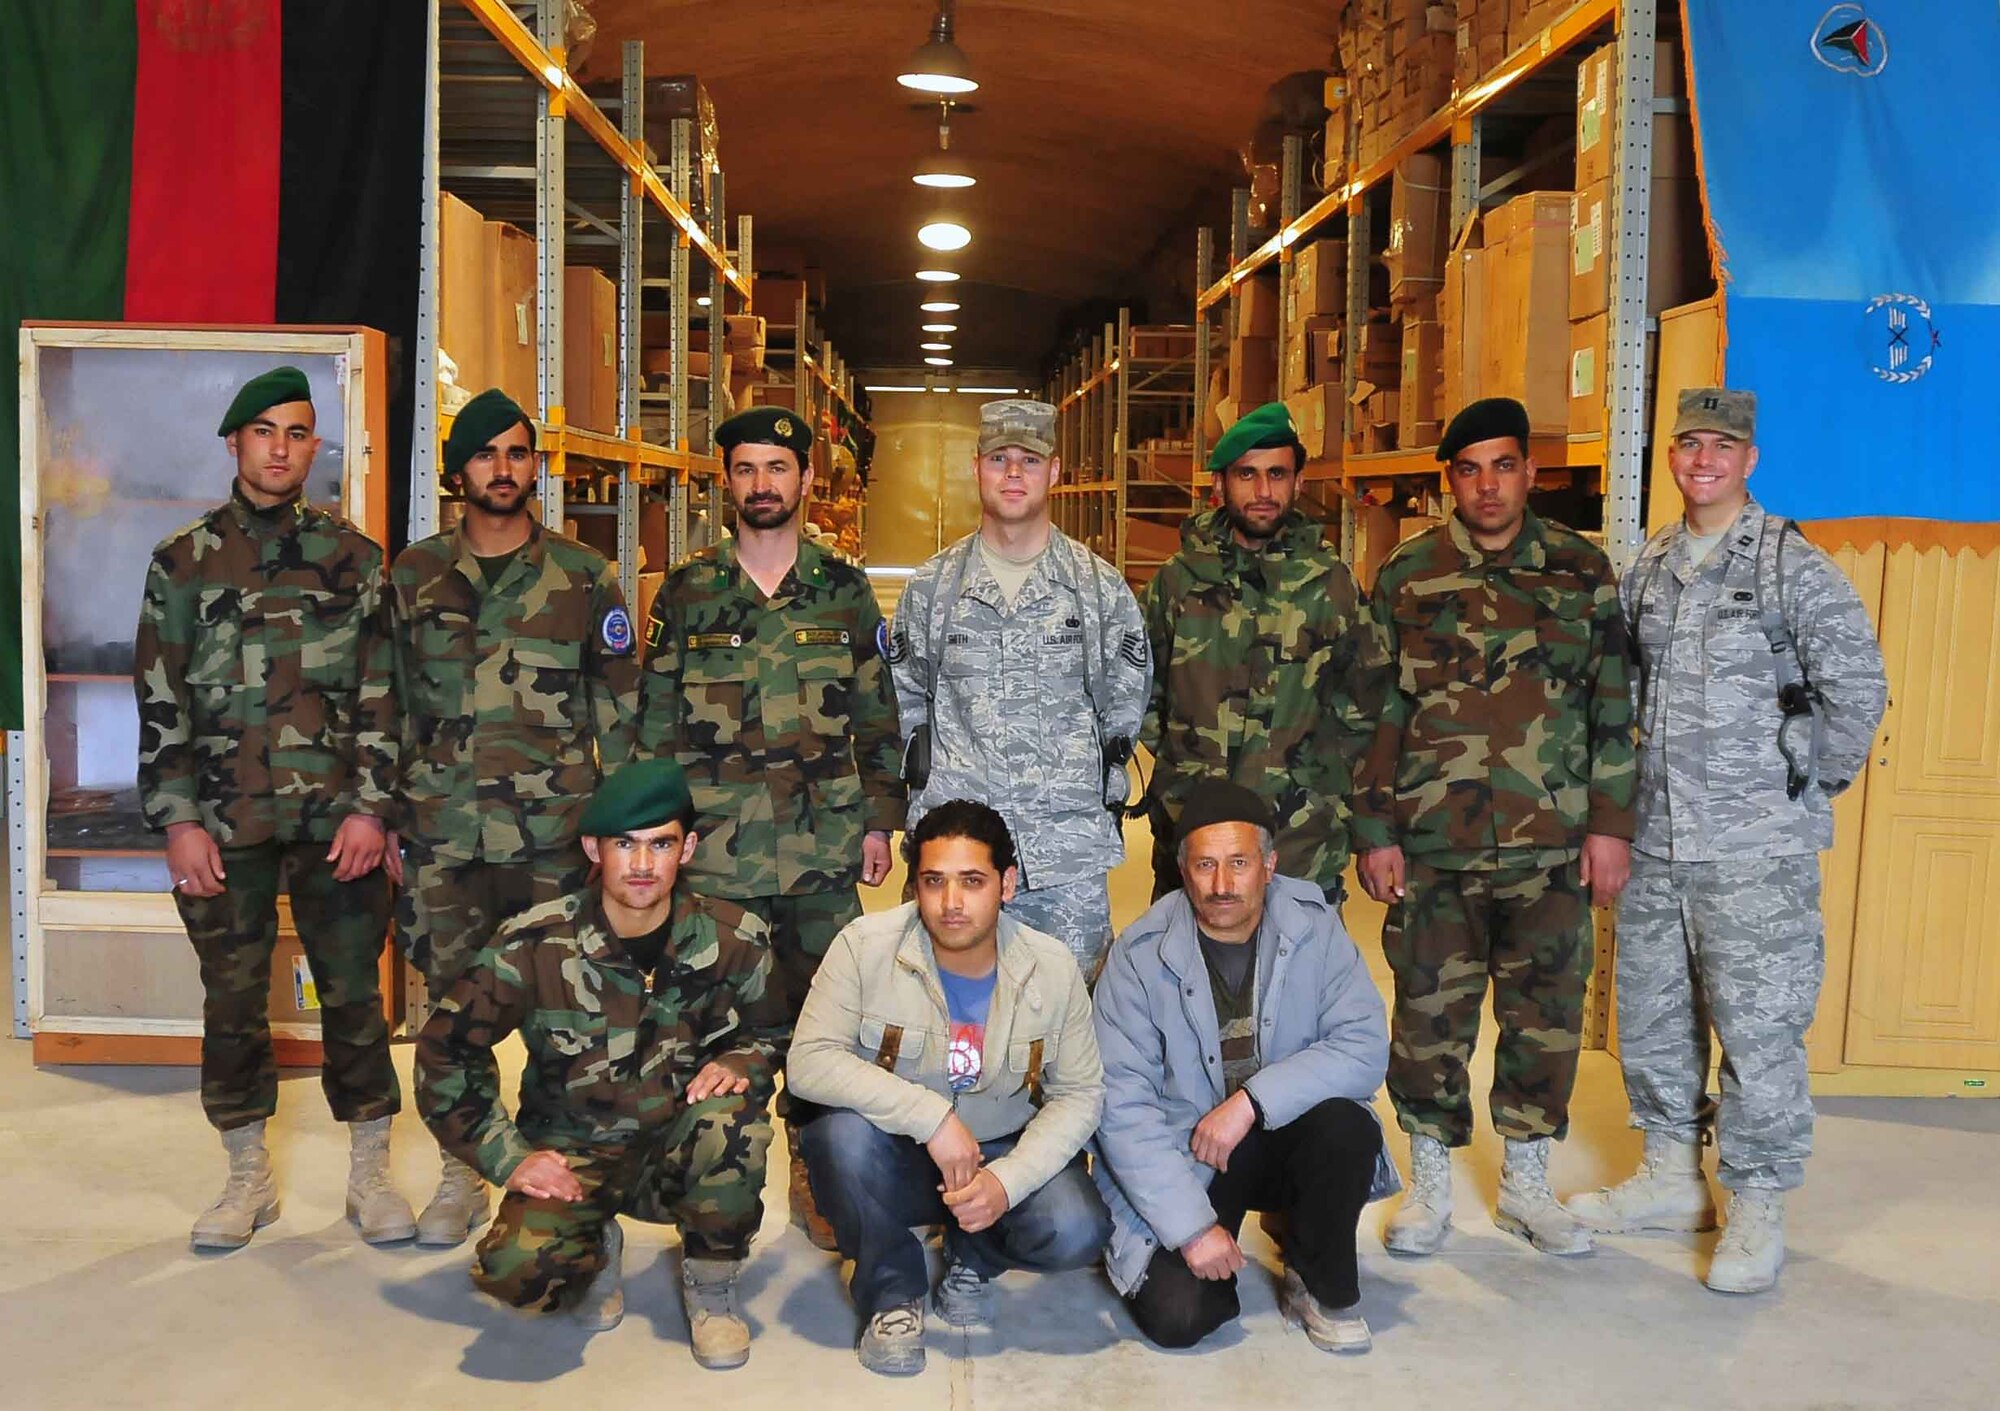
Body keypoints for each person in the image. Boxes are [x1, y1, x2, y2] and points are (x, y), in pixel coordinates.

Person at [1566, 389, 1888, 1294]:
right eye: (1689, 443)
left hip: (1756, 853)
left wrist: (1798, 789)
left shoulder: (1793, 567)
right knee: (1656, 1015)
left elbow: (1857, 689)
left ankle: (1755, 1203)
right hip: (1659, 843)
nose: (1703, 459)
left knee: (1759, 1028)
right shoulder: (1652, 566)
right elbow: (1623, 692)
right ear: (1671, 456)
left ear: (1750, 460)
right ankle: (1673, 1175)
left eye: (1722, 445)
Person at [134, 366, 410, 1252]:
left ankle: (369, 1172)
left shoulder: (354, 560)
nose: (280, 448)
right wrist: (177, 820)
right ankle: (246, 1175)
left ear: (314, 448)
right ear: (235, 443)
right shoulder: (183, 562)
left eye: (297, 433)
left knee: (354, 996)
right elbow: (158, 698)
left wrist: (373, 807)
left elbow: (382, 695)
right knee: (232, 999)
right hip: (222, 822)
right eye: (265, 432)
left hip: (338, 823)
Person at [1352, 396, 1635, 1258]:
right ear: (1450, 481)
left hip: (1552, 842)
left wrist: (1611, 824)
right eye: (1470, 470)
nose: (1487, 486)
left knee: (1543, 1018)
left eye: (1503, 466)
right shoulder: (1409, 575)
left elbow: (1612, 707)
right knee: (1430, 1016)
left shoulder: (1582, 573)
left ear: (1530, 474)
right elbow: (1377, 708)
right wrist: (1375, 827)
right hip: (1435, 843)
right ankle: (1430, 1186)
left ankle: (1525, 1185)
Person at [415, 758, 787, 1365]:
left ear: (687, 848)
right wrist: (508, 1157)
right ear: (594, 848)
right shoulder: (535, 942)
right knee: (519, 1275)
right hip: (573, 1152)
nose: (642, 865)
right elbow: (445, 1049)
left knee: (733, 1120)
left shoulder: (734, 938)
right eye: (624, 845)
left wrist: (745, 1060)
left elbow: (776, 1031)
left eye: (660, 844)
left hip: (680, 1144)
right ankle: (594, 1243)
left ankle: (711, 1281)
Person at [637, 405, 904, 1248]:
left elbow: (878, 718)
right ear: (727, 480)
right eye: (746, 469)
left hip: (823, 853)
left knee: (830, 1025)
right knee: (717, 1030)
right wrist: (656, 839)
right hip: (715, 858)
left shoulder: (843, 590)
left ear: (805, 480)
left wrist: (880, 820)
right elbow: (652, 728)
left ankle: (816, 1168)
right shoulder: (687, 591)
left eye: (778, 469)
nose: (762, 484)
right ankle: (720, 1186)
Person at [388, 387, 642, 1246]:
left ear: (537, 466)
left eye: (519, 452)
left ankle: (555, 1173)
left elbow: (620, 717)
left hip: (552, 839)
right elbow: (384, 705)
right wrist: (387, 816)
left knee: (561, 1011)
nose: (505, 469)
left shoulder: (582, 577)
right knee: (451, 1014)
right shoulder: (414, 575)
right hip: (444, 840)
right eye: (487, 453)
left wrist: (618, 837)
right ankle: (461, 1171)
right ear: (457, 469)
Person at [787, 799, 1108, 1376]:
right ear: (915, 887)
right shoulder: (865, 946)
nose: (952, 903)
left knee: (1077, 1228)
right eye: (934, 882)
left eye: (973, 882)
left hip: (1000, 1147)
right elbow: (809, 1061)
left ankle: (974, 1254)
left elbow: (1081, 1093)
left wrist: (1006, 1183)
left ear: (1007, 885)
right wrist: (930, 1117)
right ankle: (891, 1293)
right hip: (898, 1152)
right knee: (836, 1138)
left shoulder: (1051, 966)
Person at [1092, 780, 1398, 1353]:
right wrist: (1191, 1229)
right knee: (1179, 1318)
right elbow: (1121, 1108)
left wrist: (1252, 1101)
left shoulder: (1316, 926)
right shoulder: (1138, 956)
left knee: (1346, 1125)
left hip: (1283, 1135)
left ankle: (1319, 1280)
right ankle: (1217, 1239)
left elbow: (1362, 1046)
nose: (1222, 884)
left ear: (1270, 865)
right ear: (1183, 870)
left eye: (1239, 863)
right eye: (1205, 865)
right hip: (1191, 1154)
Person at [888, 398, 1151, 973]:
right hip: (958, 859)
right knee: (943, 1019)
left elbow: (1123, 709)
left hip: (1065, 865)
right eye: (999, 458)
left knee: (1066, 1024)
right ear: (976, 466)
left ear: (1054, 471)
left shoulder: (1097, 591)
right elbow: (907, 705)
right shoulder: (934, 589)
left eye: (1029, 460)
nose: (1013, 474)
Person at [1139, 401, 1392, 905]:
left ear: (1298, 483)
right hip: (1194, 834)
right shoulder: (1179, 582)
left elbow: (1367, 705)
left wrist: (1320, 785)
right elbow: (1139, 693)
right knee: (1186, 977)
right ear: (1220, 485)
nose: (1262, 492)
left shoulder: (1329, 585)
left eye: (1277, 474)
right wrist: (1186, 763)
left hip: (1299, 840)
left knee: (1298, 978)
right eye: (1246, 475)